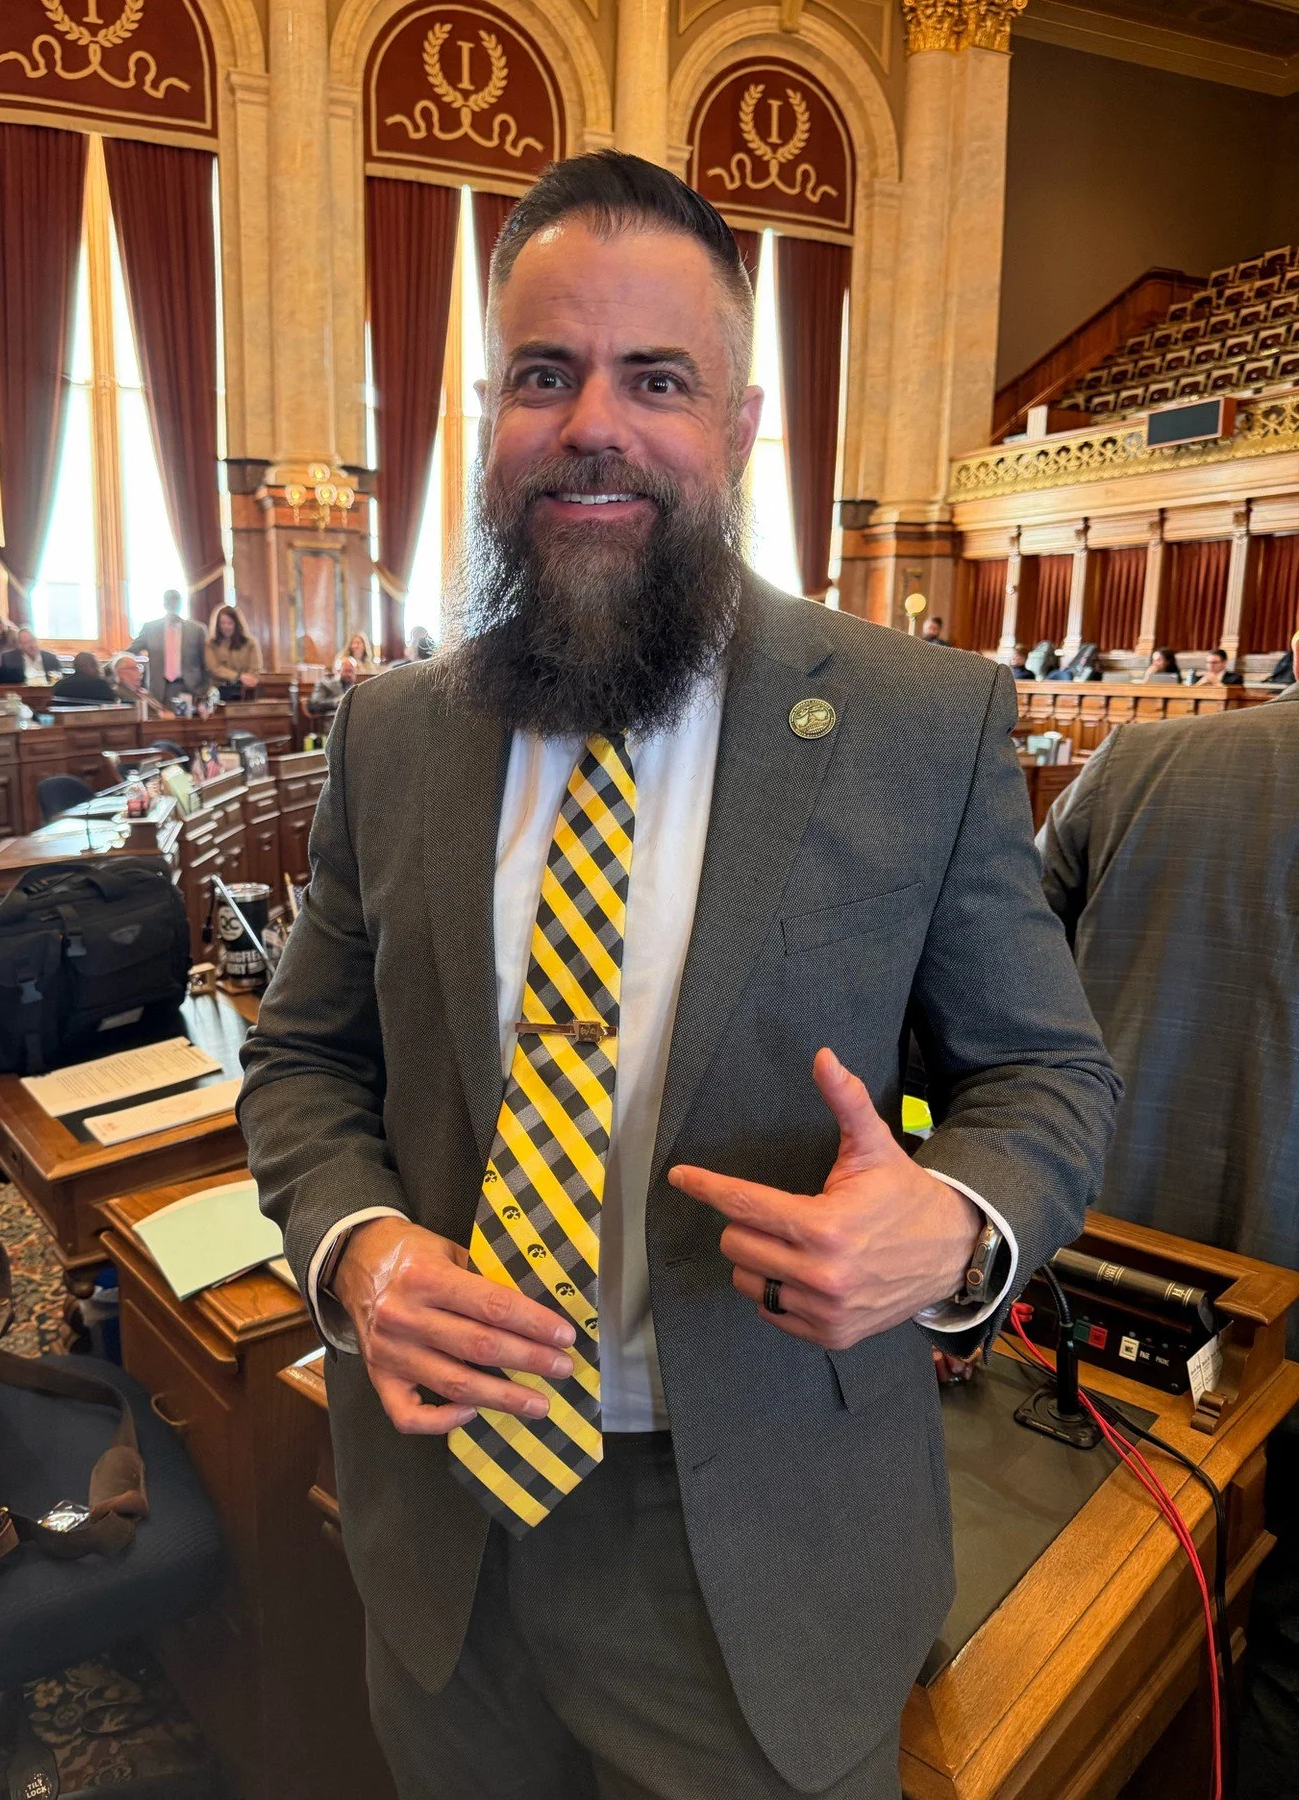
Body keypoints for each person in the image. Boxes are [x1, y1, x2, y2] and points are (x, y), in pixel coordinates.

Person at [238, 152, 1117, 1800]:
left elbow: (1051, 1081)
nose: (595, 424)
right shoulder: (396, 735)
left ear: (740, 425)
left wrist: (954, 1222)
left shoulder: (922, 722)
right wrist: (356, 1255)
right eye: (544, 375)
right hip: (447, 1540)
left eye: (657, 379)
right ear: (488, 414)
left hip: (759, 1565)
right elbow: (303, 1070)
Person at [1036, 659, 1299, 1799]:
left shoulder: (1143, 759)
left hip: (1098, 1252)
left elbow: (1002, 989)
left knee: (1072, 1592)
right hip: (1276, 1312)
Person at [128, 591, 207, 703]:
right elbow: (130, 652)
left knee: (188, 720)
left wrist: (204, 691)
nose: (173, 605)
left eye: (176, 602)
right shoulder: (150, 629)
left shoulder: (196, 629)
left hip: (190, 689)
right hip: (159, 690)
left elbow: (205, 663)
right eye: (170, 602)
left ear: (180, 604)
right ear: (164, 605)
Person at [205, 603, 263, 699]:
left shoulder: (250, 643)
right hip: (218, 691)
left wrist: (249, 679)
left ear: (237, 624)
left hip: (245, 691)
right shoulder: (210, 643)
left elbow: (255, 668)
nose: (226, 626)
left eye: (230, 623)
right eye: (222, 623)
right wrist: (239, 676)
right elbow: (214, 668)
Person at [50, 650, 117, 705]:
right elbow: (111, 705)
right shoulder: (101, 685)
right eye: (98, 665)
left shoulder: (60, 685)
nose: (100, 669)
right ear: (90, 666)